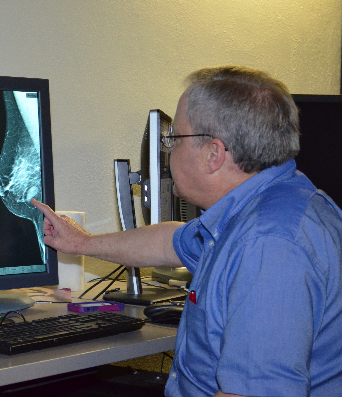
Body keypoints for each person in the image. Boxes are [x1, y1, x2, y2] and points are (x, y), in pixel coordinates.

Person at [31, 65, 342, 397]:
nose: (169, 151)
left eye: (174, 139)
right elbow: (168, 242)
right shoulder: (267, 204)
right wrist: (82, 242)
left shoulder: (269, 245)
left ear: (213, 155)